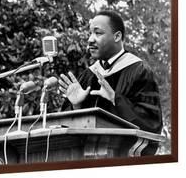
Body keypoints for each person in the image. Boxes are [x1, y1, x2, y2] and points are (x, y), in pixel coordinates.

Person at [59, 10, 162, 155]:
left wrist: (115, 99)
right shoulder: (89, 74)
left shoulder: (139, 71)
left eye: (98, 33)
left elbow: (151, 124)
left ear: (117, 36)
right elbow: (64, 130)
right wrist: (77, 106)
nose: (90, 40)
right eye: (90, 33)